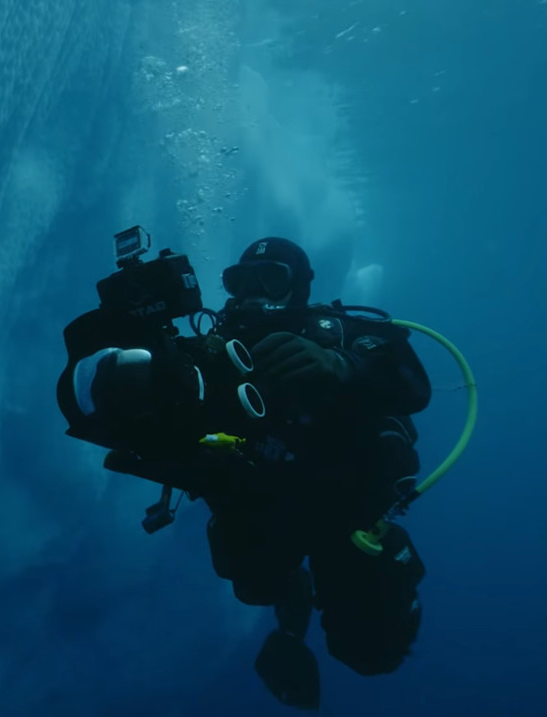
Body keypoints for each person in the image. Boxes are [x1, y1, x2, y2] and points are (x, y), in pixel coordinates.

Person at [67, 237, 432, 710]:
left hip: (344, 509)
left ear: (298, 288)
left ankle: (378, 571)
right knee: (252, 584)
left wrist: (341, 364)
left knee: (370, 653)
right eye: (239, 281)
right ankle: (291, 600)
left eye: (271, 278)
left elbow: (414, 386)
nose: (252, 292)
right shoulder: (212, 350)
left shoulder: (342, 332)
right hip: (258, 503)